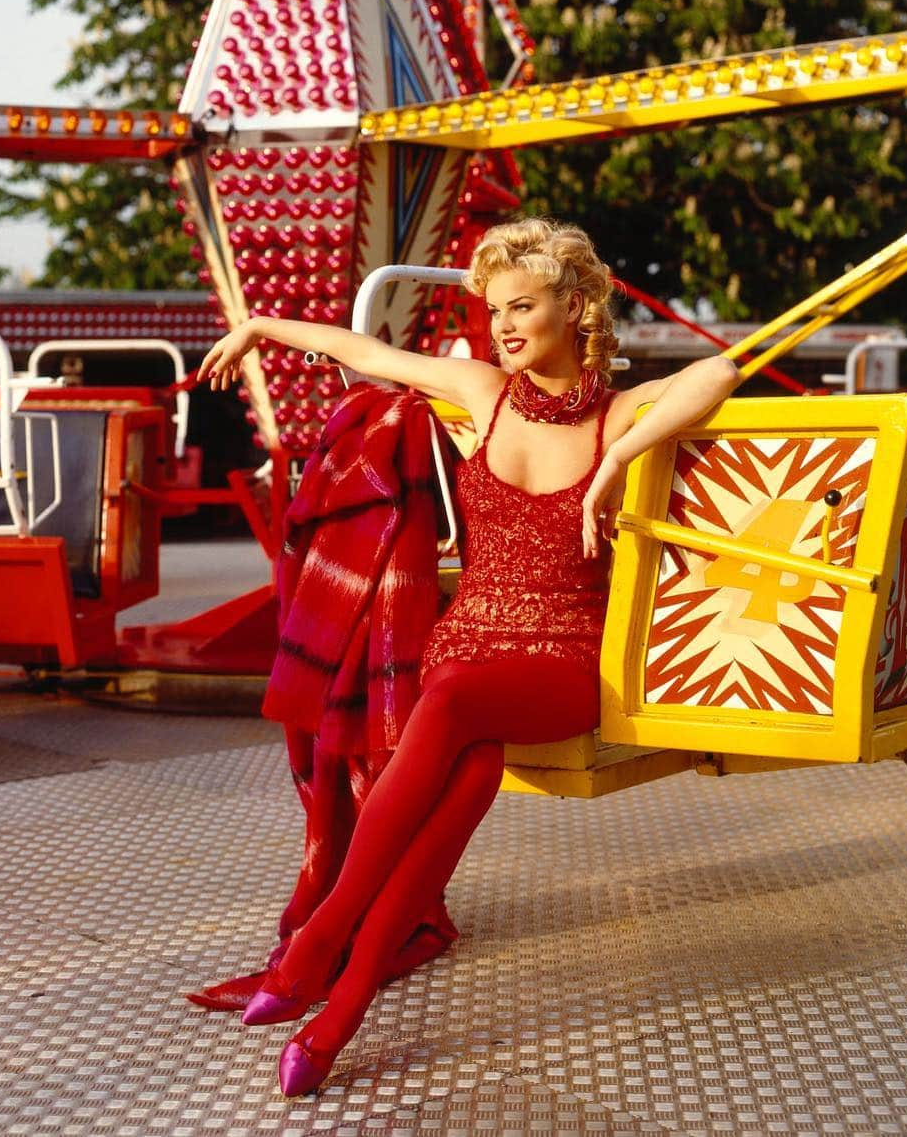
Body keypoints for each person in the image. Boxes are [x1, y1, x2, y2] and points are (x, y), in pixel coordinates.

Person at [197, 217, 739, 1096]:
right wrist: (262, 327)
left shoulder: (617, 413)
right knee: (472, 763)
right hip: (467, 652)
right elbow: (362, 352)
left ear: (576, 305)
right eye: (495, 313)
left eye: (523, 306)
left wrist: (618, 465)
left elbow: (721, 371)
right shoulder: (483, 391)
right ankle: (336, 1019)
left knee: (450, 707)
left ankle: (315, 950)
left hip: (562, 664)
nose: (506, 327)